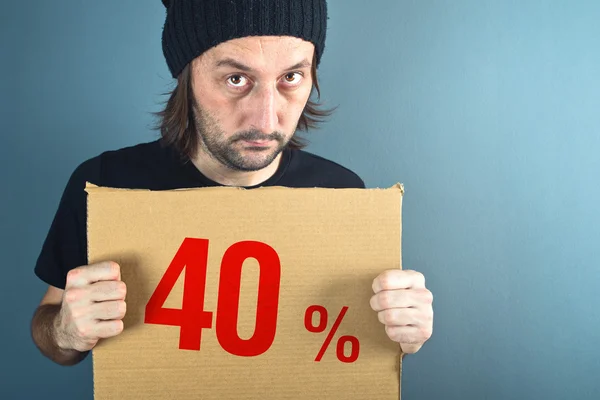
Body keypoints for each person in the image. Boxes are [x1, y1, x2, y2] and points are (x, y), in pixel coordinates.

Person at [30, 0, 434, 367]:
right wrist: (67, 330)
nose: (264, 118)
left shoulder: (341, 194)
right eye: (236, 79)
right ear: (186, 77)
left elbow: (348, 346)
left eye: (291, 77)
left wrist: (399, 332)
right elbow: (51, 330)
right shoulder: (107, 184)